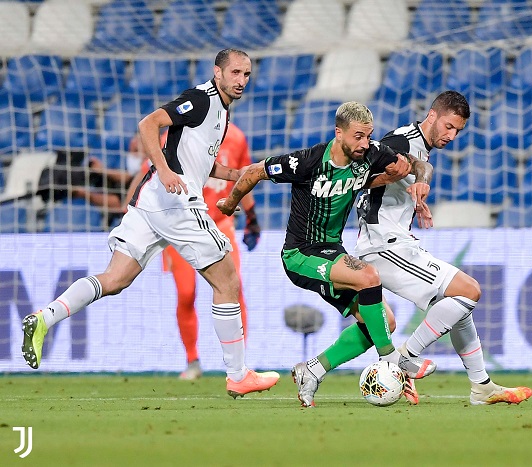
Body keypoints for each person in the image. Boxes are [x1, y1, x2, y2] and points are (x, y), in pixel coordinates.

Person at [21, 48, 279, 398]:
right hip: (176, 204)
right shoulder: (200, 99)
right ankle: (237, 375)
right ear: (217, 73)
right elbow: (148, 124)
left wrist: (236, 174)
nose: (241, 81)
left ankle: (44, 318)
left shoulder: (222, 111)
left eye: (246, 75)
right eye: (235, 73)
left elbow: (199, 161)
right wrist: (166, 170)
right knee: (229, 280)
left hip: (149, 203)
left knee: (115, 279)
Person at [217, 101, 436, 407]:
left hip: (333, 251)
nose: (364, 143)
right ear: (339, 133)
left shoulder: (372, 153)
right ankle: (393, 360)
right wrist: (229, 203)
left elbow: (421, 165)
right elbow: (255, 171)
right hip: (300, 254)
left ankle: (312, 370)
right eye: (358, 136)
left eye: (368, 136)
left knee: (384, 322)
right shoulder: (307, 162)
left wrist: (419, 180)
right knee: (368, 276)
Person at [356, 90, 532, 405]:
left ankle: (482, 386)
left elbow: (413, 173)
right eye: (449, 126)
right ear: (433, 115)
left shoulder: (421, 149)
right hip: (382, 245)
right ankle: (404, 360)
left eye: (458, 131)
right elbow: (364, 174)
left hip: (397, 243)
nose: (452, 135)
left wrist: (417, 192)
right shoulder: (401, 141)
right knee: (469, 291)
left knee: (459, 309)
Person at [162, 123, 260, 381]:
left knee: (234, 290)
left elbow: (243, 180)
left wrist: (252, 217)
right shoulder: (175, 134)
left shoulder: (237, 137)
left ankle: (240, 363)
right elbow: (151, 175)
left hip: (220, 223)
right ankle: (192, 360)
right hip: (181, 224)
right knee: (186, 294)